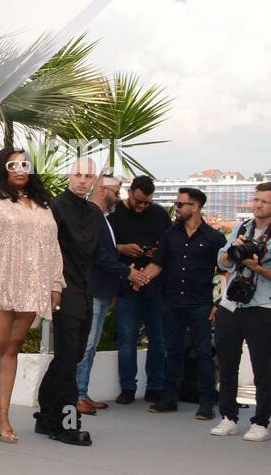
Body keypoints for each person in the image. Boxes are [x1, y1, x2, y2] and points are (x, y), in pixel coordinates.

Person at [0, 148, 63, 443]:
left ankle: (1, 414)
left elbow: (53, 246)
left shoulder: (42, 204)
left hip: (30, 285)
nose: (21, 169)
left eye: (25, 164)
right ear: (1, 167)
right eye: (14, 164)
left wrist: (55, 284)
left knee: (12, 348)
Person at [134, 186, 225, 419]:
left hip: (201, 303)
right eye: (176, 204)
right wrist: (141, 279)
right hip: (172, 301)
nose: (176, 208)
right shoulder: (169, 235)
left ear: (195, 207)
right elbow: (158, 264)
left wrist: (218, 303)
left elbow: (225, 272)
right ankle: (170, 398)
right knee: (172, 351)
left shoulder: (214, 238)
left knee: (204, 353)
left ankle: (206, 402)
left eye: (180, 204)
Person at [33, 159, 101, 446]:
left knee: (70, 357)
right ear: (69, 176)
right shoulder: (55, 208)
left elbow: (99, 255)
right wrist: (49, 288)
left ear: (94, 179)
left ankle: (46, 414)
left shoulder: (96, 213)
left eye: (88, 176)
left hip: (86, 293)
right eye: (78, 174)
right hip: (62, 291)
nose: (83, 180)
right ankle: (66, 423)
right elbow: (44, 252)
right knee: (68, 357)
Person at [209, 182, 271, 441]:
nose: (257, 205)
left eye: (264, 202)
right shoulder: (242, 227)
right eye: (256, 200)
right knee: (227, 363)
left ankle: (260, 421)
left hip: (262, 306)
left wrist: (256, 267)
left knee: (263, 367)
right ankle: (228, 417)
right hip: (231, 304)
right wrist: (235, 252)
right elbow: (221, 259)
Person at [107, 175, 170, 404]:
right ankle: (127, 388)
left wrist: (155, 251)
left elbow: (169, 245)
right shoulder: (113, 215)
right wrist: (121, 249)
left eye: (146, 202)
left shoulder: (160, 214)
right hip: (125, 285)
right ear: (130, 192)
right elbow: (101, 248)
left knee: (158, 338)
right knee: (127, 338)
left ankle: (156, 386)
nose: (142, 206)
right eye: (137, 201)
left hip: (155, 285)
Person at [75, 176, 128, 416]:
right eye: (116, 192)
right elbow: (99, 255)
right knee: (85, 346)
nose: (118, 197)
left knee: (91, 346)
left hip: (103, 291)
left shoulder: (104, 218)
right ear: (104, 190)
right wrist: (129, 273)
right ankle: (77, 395)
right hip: (92, 290)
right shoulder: (92, 216)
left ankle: (82, 392)